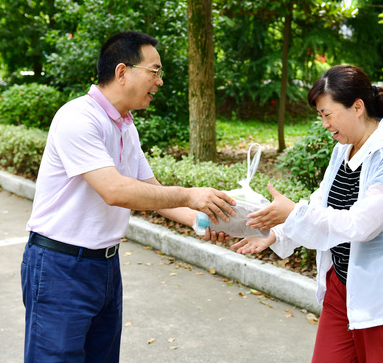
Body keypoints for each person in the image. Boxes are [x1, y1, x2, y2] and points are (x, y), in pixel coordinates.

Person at [21, 31, 235, 363]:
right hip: (60, 267)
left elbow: (151, 189)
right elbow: (115, 190)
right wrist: (191, 194)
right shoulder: (78, 118)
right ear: (122, 72)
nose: (159, 81)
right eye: (155, 71)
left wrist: (201, 221)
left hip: (105, 266)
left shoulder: (126, 126)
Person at [233, 65, 383, 362]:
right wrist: (275, 233)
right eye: (320, 116)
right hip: (341, 284)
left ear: (358, 107)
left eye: (327, 114)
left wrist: (293, 213)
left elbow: (363, 224)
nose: (325, 124)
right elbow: (321, 203)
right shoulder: (343, 148)